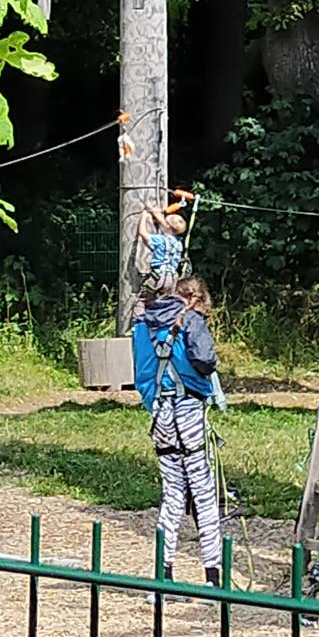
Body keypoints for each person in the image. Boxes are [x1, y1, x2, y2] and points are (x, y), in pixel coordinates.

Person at [135, 275, 226, 587]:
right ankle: (212, 575)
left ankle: (164, 574)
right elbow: (206, 360)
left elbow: (142, 376)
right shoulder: (192, 320)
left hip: (161, 413)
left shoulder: (143, 326)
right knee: (203, 490)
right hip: (189, 409)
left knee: (172, 491)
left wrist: (156, 403)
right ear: (196, 300)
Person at [135, 204, 187, 296]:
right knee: (165, 301)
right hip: (172, 278)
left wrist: (143, 216)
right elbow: (168, 227)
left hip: (158, 276)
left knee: (144, 298)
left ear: (167, 226)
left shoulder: (160, 240)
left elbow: (142, 233)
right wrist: (158, 215)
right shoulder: (178, 243)